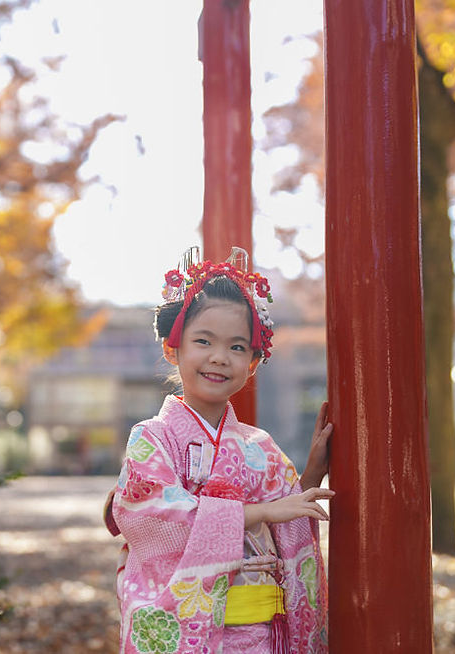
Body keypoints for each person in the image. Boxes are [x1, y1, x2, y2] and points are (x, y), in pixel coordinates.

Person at [107, 246, 332, 654]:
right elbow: (155, 519)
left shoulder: (260, 446)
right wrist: (261, 513)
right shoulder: (152, 438)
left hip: (261, 634)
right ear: (172, 348)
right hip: (191, 632)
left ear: (252, 362)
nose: (218, 358)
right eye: (204, 341)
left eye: (237, 347)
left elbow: (289, 520)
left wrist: (313, 473)